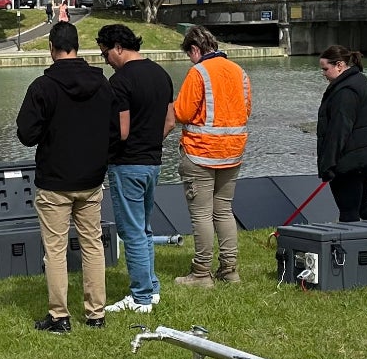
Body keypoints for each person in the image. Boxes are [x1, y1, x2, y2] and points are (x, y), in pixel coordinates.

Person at [14, 20, 113, 333]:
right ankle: (96, 314)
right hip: (92, 178)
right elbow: (113, 129)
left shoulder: (43, 87)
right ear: (77, 47)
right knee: (92, 245)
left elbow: (26, 134)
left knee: (55, 250)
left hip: (55, 179)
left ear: (51, 48)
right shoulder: (102, 83)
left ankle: (59, 316)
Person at [97, 21, 174, 312]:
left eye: (105, 54)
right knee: (144, 228)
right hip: (153, 162)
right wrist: (150, 142)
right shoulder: (161, 74)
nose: (106, 60)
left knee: (131, 232)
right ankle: (151, 287)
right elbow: (170, 121)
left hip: (127, 164)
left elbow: (123, 130)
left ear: (118, 48)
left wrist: (102, 151)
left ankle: (141, 296)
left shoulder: (120, 81)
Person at [170, 25, 251, 285]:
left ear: (195, 49)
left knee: (202, 214)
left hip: (200, 153)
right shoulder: (239, 72)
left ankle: (201, 272)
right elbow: (246, 110)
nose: (190, 60)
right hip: (232, 152)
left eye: (189, 55)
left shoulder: (199, 72)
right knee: (224, 210)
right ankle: (229, 269)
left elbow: (182, 112)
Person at [316, 44, 367, 221]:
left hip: (352, 160)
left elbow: (338, 131)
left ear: (339, 65)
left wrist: (329, 165)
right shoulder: (359, 81)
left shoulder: (345, 91)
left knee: (348, 210)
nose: (323, 74)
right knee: (364, 204)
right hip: (365, 156)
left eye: (325, 69)